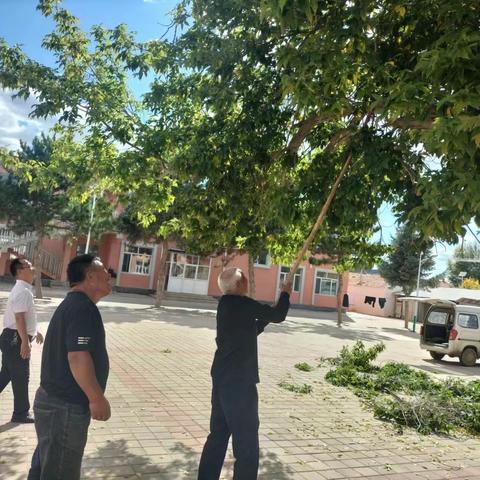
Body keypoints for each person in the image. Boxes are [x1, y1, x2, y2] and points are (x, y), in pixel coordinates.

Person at [198, 267, 292, 480]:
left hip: (222, 377)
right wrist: (285, 294)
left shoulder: (226, 304)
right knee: (246, 440)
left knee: (218, 435)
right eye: (245, 279)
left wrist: (269, 313)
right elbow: (278, 316)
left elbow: (250, 330)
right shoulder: (242, 304)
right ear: (239, 285)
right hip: (239, 382)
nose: (248, 282)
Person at [28, 254, 112, 480]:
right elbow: (77, 356)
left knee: (47, 466)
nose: (109, 276)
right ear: (91, 276)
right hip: (64, 407)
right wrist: (96, 398)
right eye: (105, 272)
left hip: (54, 402)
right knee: (60, 471)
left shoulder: (73, 304)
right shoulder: (83, 308)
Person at [0, 258, 43, 423]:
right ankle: (20, 414)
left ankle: (20, 412)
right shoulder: (22, 291)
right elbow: (18, 319)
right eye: (29, 266)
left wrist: (35, 331)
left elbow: (24, 317)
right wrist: (25, 342)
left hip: (13, 337)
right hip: (15, 339)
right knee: (20, 376)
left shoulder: (23, 289)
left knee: (7, 375)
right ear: (20, 271)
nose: (33, 267)